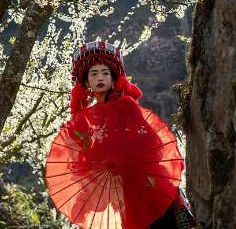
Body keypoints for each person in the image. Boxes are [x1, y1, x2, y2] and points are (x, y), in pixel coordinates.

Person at [69, 41, 196, 229]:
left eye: (105, 73)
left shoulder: (126, 106)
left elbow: (152, 140)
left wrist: (125, 155)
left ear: (113, 79)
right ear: (86, 82)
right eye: (94, 74)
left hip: (144, 180)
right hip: (118, 187)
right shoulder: (88, 119)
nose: (100, 78)